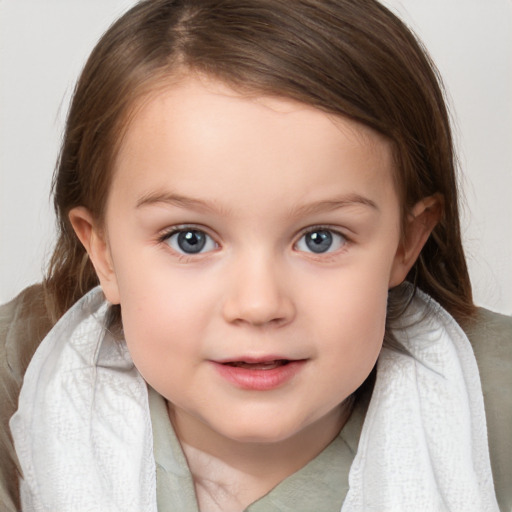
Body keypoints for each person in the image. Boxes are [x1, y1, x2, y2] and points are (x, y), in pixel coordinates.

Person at [0, 0, 510, 510]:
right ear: (103, 253)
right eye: (190, 239)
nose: (259, 304)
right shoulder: (18, 376)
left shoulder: (495, 406)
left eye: (320, 239)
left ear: (406, 241)